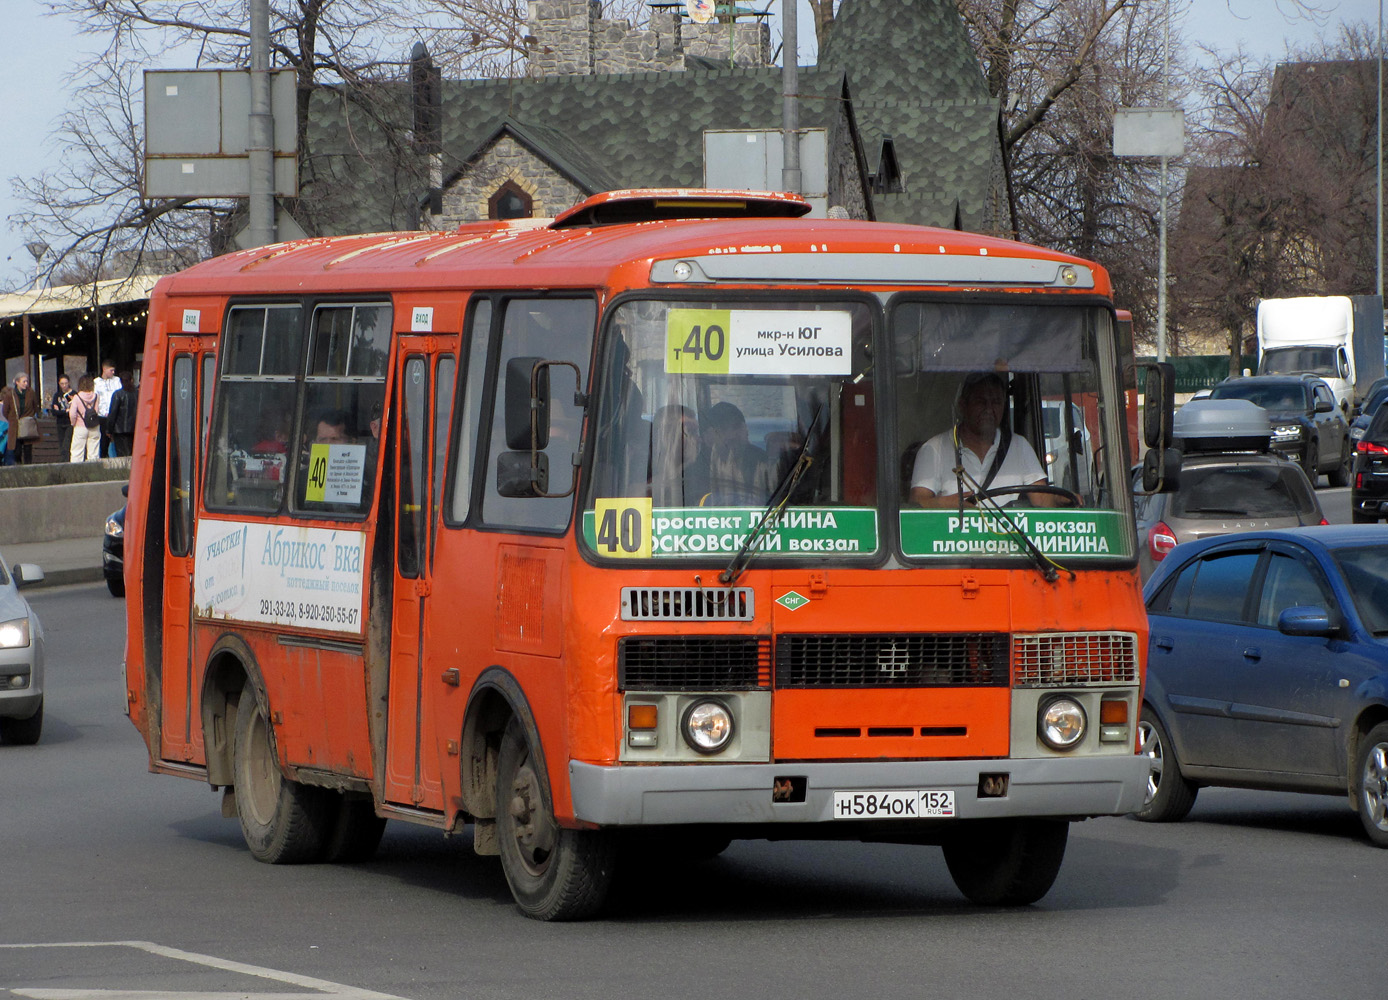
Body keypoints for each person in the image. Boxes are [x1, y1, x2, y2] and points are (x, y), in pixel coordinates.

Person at [909, 371, 1058, 509]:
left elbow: (1042, 501)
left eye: (996, 402)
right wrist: (945, 504)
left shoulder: (1019, 446)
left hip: (1008, 536)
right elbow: (916, 505)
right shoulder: (934, 449)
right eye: (981, 402)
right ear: (963, 405)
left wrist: (1062, 499)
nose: (989, 408)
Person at [701, 401, 773, 505]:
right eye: (723, 429)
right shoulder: (699, 467)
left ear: (746, 429)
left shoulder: (764, 462)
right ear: (708, 437)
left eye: (737, 427)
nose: (732, 435)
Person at [649, 404, 709, 506]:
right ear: (667, 436)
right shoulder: (642, 469)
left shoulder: (706, 472)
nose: (699, 440)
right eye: (690, 432)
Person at [0, 373, 41, 465]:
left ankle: (28, 468)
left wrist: (30, 416)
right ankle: (18, 467)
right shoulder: (10, 395)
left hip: (27, 424)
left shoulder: (31, 393)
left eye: (27, 381)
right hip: (15, 424)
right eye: (24, 381)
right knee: (16, 449)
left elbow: (35, 407)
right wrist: (12, 419)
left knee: (27, 449)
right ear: (17, 382)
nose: (26, 383)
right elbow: (5, 411)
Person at [68, 375, 101, 462]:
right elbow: (97, 410)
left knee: (77, 452)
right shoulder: (96, 396)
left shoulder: (77, 397)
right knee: (93, 453)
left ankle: (76, 472)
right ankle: (93, 471)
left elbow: (72, 414)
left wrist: (73, 423)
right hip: (94, 426)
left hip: (80, 426)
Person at [93, 361, 122, 459]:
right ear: (104, 369)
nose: (113, 372)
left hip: (115, 414)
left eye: (114, 370)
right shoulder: (96, 382)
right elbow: (95, 398)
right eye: (111, 370)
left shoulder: (116, 380)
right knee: (103, 441)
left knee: (117, 439)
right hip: (102, 415)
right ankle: (103, 458)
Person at [106, 371, 137, 458]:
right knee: (132, 453)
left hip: (120, 430)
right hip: (134, 428)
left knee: (122, 455)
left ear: (121, 381)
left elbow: (113, 413)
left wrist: (109, 430)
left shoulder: (117, 394)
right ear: (132, 380)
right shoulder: (137, 394)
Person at [50, 374, 75, 462]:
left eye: (66, 383)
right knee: (61, 444)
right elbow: (54, 411)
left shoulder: (74, 394)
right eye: (62, 384)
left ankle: (67, 461)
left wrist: (62, 411)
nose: (64, 386)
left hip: (70, 423)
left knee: (67, 445)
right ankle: (64, 462)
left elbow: (73, 411)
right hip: (60, 423)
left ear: (69, 383)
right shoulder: (57, 395)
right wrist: (65, 411)